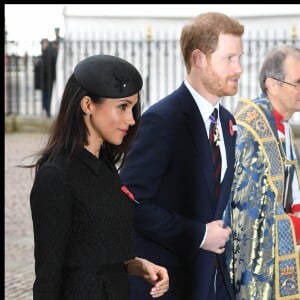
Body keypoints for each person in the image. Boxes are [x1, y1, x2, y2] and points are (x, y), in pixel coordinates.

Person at [119, 12, 244, 300]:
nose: (239, 68)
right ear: (199, 59)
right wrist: (199, 234)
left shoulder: (227, 122)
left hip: (214, 283)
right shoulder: (162, 120)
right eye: (229, 58)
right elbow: (131, 203)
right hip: (169, 284)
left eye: (240, 57)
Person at [27, 54, 169, 299]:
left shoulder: (104, 166)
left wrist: (137, 265)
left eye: (133, 108)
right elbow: (48, 276)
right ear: (87, 105)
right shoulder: (56, 176)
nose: (132, 119)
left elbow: (93, 250)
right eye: (122, 106)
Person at [224, 44, 300, 299]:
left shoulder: (284, 126)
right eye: (297, 82)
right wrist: (295, 225)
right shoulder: (251, 130)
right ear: (272, 84)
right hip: (257, 274)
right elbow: (248, 216)